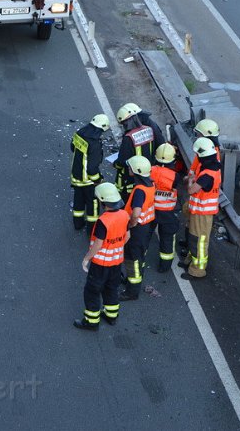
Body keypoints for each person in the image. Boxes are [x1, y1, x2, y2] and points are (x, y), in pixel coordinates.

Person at [74, 183, 130, 331]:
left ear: (102, 201)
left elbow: (98, 244)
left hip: (100, 265)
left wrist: (87, 258)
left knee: (92, 291)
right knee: (111, 288)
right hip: (116, 262)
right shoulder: (124, 215)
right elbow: (127, 236)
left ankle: (91, 322)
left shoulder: (103, 221)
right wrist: (116, 246)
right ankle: (111, 316)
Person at [182, 138, 222, 279]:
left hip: (202, 213)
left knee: (199, 242)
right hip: (199, 211)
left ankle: (197, 270)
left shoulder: (207, 175)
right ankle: (190, 261)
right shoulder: (212, 167)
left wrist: (191, 179)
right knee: (194, 238)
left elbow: (191, 190)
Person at [120, 156, 156, 301]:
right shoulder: (150, 185)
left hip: (137, 229)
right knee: (139, 257)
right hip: (145, 227)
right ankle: (133, 280)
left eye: (131, 168)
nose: (129, 169)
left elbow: (136, 213)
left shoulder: (139, 190)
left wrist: (130, 225)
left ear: (136, 171)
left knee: (132, 259)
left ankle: (131, 291)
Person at [114, 103, 162, 200]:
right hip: (148, 171)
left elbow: (123, 160)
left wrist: (116, 164)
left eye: (123, 123)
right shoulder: (149, 129)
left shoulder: (129, 137)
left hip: (133, 176)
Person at [70, 114, 110, 231]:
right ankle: (92, 229)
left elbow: (73, 147)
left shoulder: (80, 133)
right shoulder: (94, 144)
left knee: (78, 201)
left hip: (76, 176)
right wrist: (98, 180)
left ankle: (78, 224)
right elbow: (92, 169)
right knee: (93, 205)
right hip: (88, 181)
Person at [151, 144, 182, 272]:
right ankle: (164, 267)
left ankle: (139, 259)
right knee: (167, 239)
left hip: (150, 211)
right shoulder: (175, 177)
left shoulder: (150, 170)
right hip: (167, 213)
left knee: (144, 236)